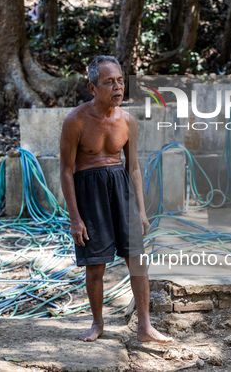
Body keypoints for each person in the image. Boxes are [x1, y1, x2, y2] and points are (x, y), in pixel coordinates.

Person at [59, 55, 172, 343]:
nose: (118, 87)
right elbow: (66, 171)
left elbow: (133, 167)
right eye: (109, 82)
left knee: (137, 259)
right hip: (90, 192)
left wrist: (142, 210)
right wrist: (75, 218)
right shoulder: (76, 121)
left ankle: (145, 326)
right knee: (96, 265)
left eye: (120, 81)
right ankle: (97, 324)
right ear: (92, 87)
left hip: (120, 189)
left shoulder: (128, 120)